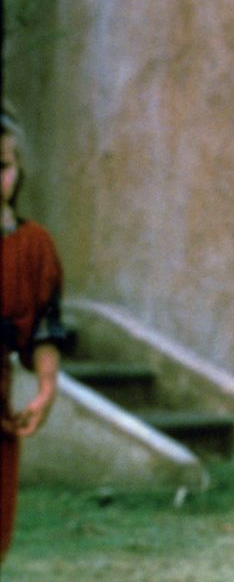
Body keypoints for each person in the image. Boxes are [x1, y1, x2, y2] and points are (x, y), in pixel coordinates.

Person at [0, 112, 68, 564]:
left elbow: (45, 324)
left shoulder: (32, 246)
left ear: (18, 168)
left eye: (2, 165)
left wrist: (46, 388)